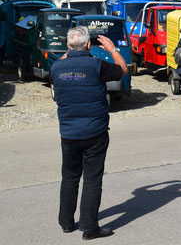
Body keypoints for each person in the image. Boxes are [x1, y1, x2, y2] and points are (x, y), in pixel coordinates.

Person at [51, 26, 128, 240]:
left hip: (68, 133)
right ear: (88, 45)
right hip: (95, 132)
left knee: (69, 177)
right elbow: (122, 69)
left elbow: (68, 58)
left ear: (67, 46)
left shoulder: (57, 68)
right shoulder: (97, 65)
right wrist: (112, 49)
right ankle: (89, 227)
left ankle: (66, 222)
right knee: (92, 180)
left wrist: (73, 48)